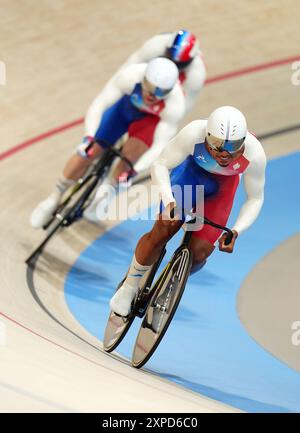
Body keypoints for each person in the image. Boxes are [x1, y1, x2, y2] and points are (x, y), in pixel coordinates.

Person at [109, 106, 267, 317]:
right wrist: (170, 201)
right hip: (190, 177)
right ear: (208, 136)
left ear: (244, 142)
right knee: (165, 228)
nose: (225, 154)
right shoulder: (194, 133)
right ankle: (129, 287)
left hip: (221, 191)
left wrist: (236, 231)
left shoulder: (254, 153)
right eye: (218, 146)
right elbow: (160, 165)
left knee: (200, 253)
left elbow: (255, 198)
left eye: (233, 148)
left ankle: (170, 284)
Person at [30, 57, 185, 228]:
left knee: (128, 160)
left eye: (160, 92)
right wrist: (88, 137)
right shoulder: (130, 76)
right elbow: (99, 104)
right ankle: (54, 197)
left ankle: (105, 192)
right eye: (149, 87)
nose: (152, 95)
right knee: (89, 150)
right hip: (125, 109)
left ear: (169, 91)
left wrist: (135, 169)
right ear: (143, 79)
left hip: (149, 121)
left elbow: (159, 145)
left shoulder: (175, 104)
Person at [114, 29, 206, 113]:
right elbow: (129, 66)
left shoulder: (197, 73)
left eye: (178, 64)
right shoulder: (155, 45)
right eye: (169, 57)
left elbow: (186, 104)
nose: (171, 64)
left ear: (189, 62)